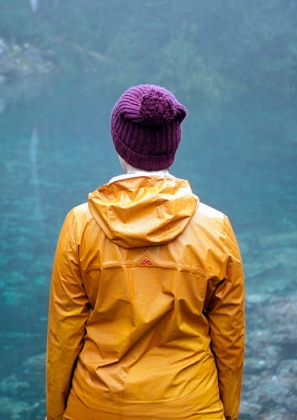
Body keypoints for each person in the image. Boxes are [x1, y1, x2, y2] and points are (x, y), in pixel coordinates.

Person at [45, 84, 246, 420]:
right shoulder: (216, 228)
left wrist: (55, 413)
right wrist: (228, 412)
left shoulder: (80, 224)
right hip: (192, 406)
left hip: (96, 406)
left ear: (118, 143)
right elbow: (229, 340)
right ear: (174, 145)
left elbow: (64, 335)